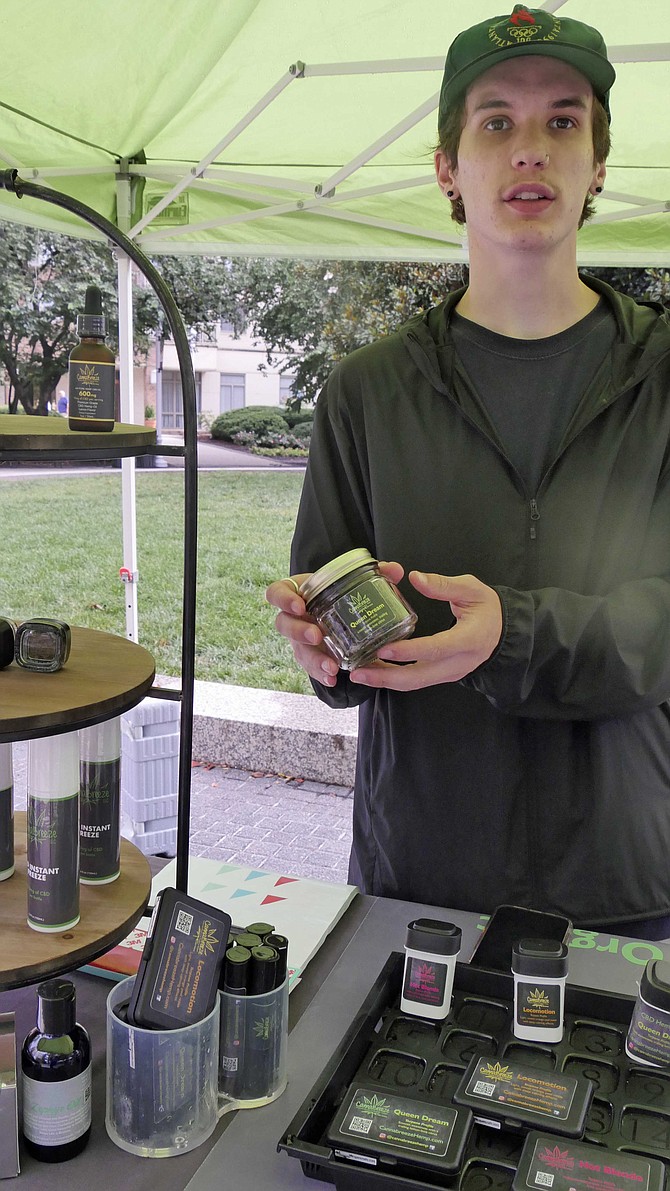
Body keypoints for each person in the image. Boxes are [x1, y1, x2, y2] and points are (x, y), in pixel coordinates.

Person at [266, 7, 670, 937]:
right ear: (448, 166)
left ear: (599, 162)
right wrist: (321, 651)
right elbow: (337, 644)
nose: (531, 149)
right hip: (422, 877)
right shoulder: (366, 392)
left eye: (563, 121)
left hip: (631, 885)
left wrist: (512, 635)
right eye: (496, 122)